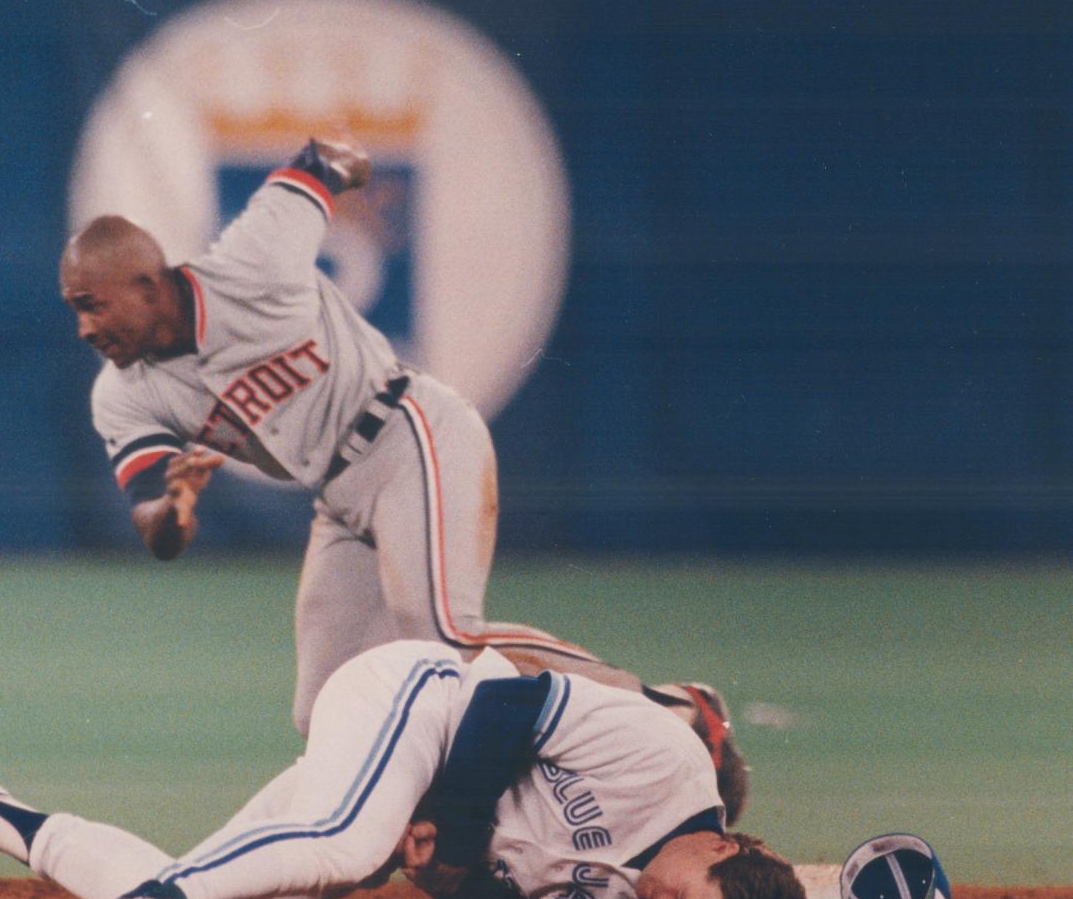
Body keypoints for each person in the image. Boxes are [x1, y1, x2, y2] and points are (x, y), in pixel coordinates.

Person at [59, 135, 750, 818]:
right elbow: (151, 517)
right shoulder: (124, 393)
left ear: (149, 285)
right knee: (324, 707)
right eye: (75, 309)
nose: (85, 327)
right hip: (340, 500)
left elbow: (322, 159)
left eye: (94, 304)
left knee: (442, 631)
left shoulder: (253, 256)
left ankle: (668, 708)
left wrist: (354, 169)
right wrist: (173, 514)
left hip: (410, 432)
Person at [0, 641, 803, 899]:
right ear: (728, 846)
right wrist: (451, 835)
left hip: (408, 798)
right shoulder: (668, 763)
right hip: (421, 702)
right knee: (346, 842)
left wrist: (445, 879)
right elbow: (509, 697)